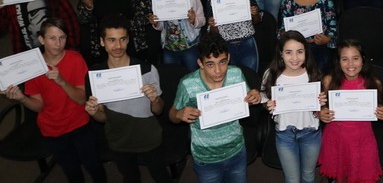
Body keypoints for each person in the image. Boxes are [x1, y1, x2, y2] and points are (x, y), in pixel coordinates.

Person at [2, 18, 106, 183]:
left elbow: (81, 100)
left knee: (94, 165)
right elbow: (39, 107)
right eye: (52, 38)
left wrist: (62, 82)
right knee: (72, 171)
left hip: (80, 124)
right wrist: (22, 99)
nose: (58, 43)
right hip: (53, 129)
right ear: (42, 39)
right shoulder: (33, 67)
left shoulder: (76, 59)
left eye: (62, 37)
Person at [85, 15, 171, 183]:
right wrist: (94, 112)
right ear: (102, 42)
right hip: (119, 139)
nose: (118, 46)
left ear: (128, 40)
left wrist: (155, 100)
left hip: (148, 137)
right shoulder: (95, 76)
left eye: (122, 39)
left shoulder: (146, 69)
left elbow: (159, 110)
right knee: (130, 177)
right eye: (111, 40)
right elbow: (102, 118)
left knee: (160, 175)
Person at [170, 31, 261, 182]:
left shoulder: (236, 74)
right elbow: (172, 114)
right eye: (210, 64)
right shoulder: (187, 84)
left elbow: (248, 99)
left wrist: (254, 95)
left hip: (237, 151)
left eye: (223, 62)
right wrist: (179, 114)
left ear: (229, 58)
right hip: (206, 159)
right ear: (200, 63)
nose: (218, 70)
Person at [318, 39, 383, 182]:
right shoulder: (328, 81)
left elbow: (380, 106)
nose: (350, 64)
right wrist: (321, 113)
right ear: (338, 62)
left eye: (355, 58)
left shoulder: (374, 83)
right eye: (345, 59)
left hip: (363, 138)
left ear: (363, 60)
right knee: (338, 176)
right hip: (336, 138)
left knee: (364, 175)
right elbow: (320, 107)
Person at [261, 31, 325, 183]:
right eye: (289, 52)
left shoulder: (313, 74)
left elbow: (319, 112)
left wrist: (321, 104)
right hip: (285, 135)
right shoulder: (271, 74)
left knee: (309, 176)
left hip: (311, 133)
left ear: (306, 53)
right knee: (292, 179)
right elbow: (264, 98)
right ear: (281, 54)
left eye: (300, 52)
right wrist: (267, 105)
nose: (295, 58)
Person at [280, 0, 336, 73]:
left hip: (319, 49)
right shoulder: (288, 1)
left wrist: (326, 39)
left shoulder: (325, 0)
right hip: (296, 52)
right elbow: (282, 30)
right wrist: (286, 35)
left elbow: (332, 27)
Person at [206, 0, 262, 72]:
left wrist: (255, 13)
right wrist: (213, 25)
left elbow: (257, 21)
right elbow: (213, 32)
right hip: (225, 47)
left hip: (247, 44)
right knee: (229, 83)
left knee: (250, 79)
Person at [149, 0, 205, 71]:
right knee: (172, 77)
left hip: (190, 46)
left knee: (192, 76)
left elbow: (202, 20)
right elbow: (161, 27)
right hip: (169, 48)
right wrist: (155, 23)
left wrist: (194, 20)